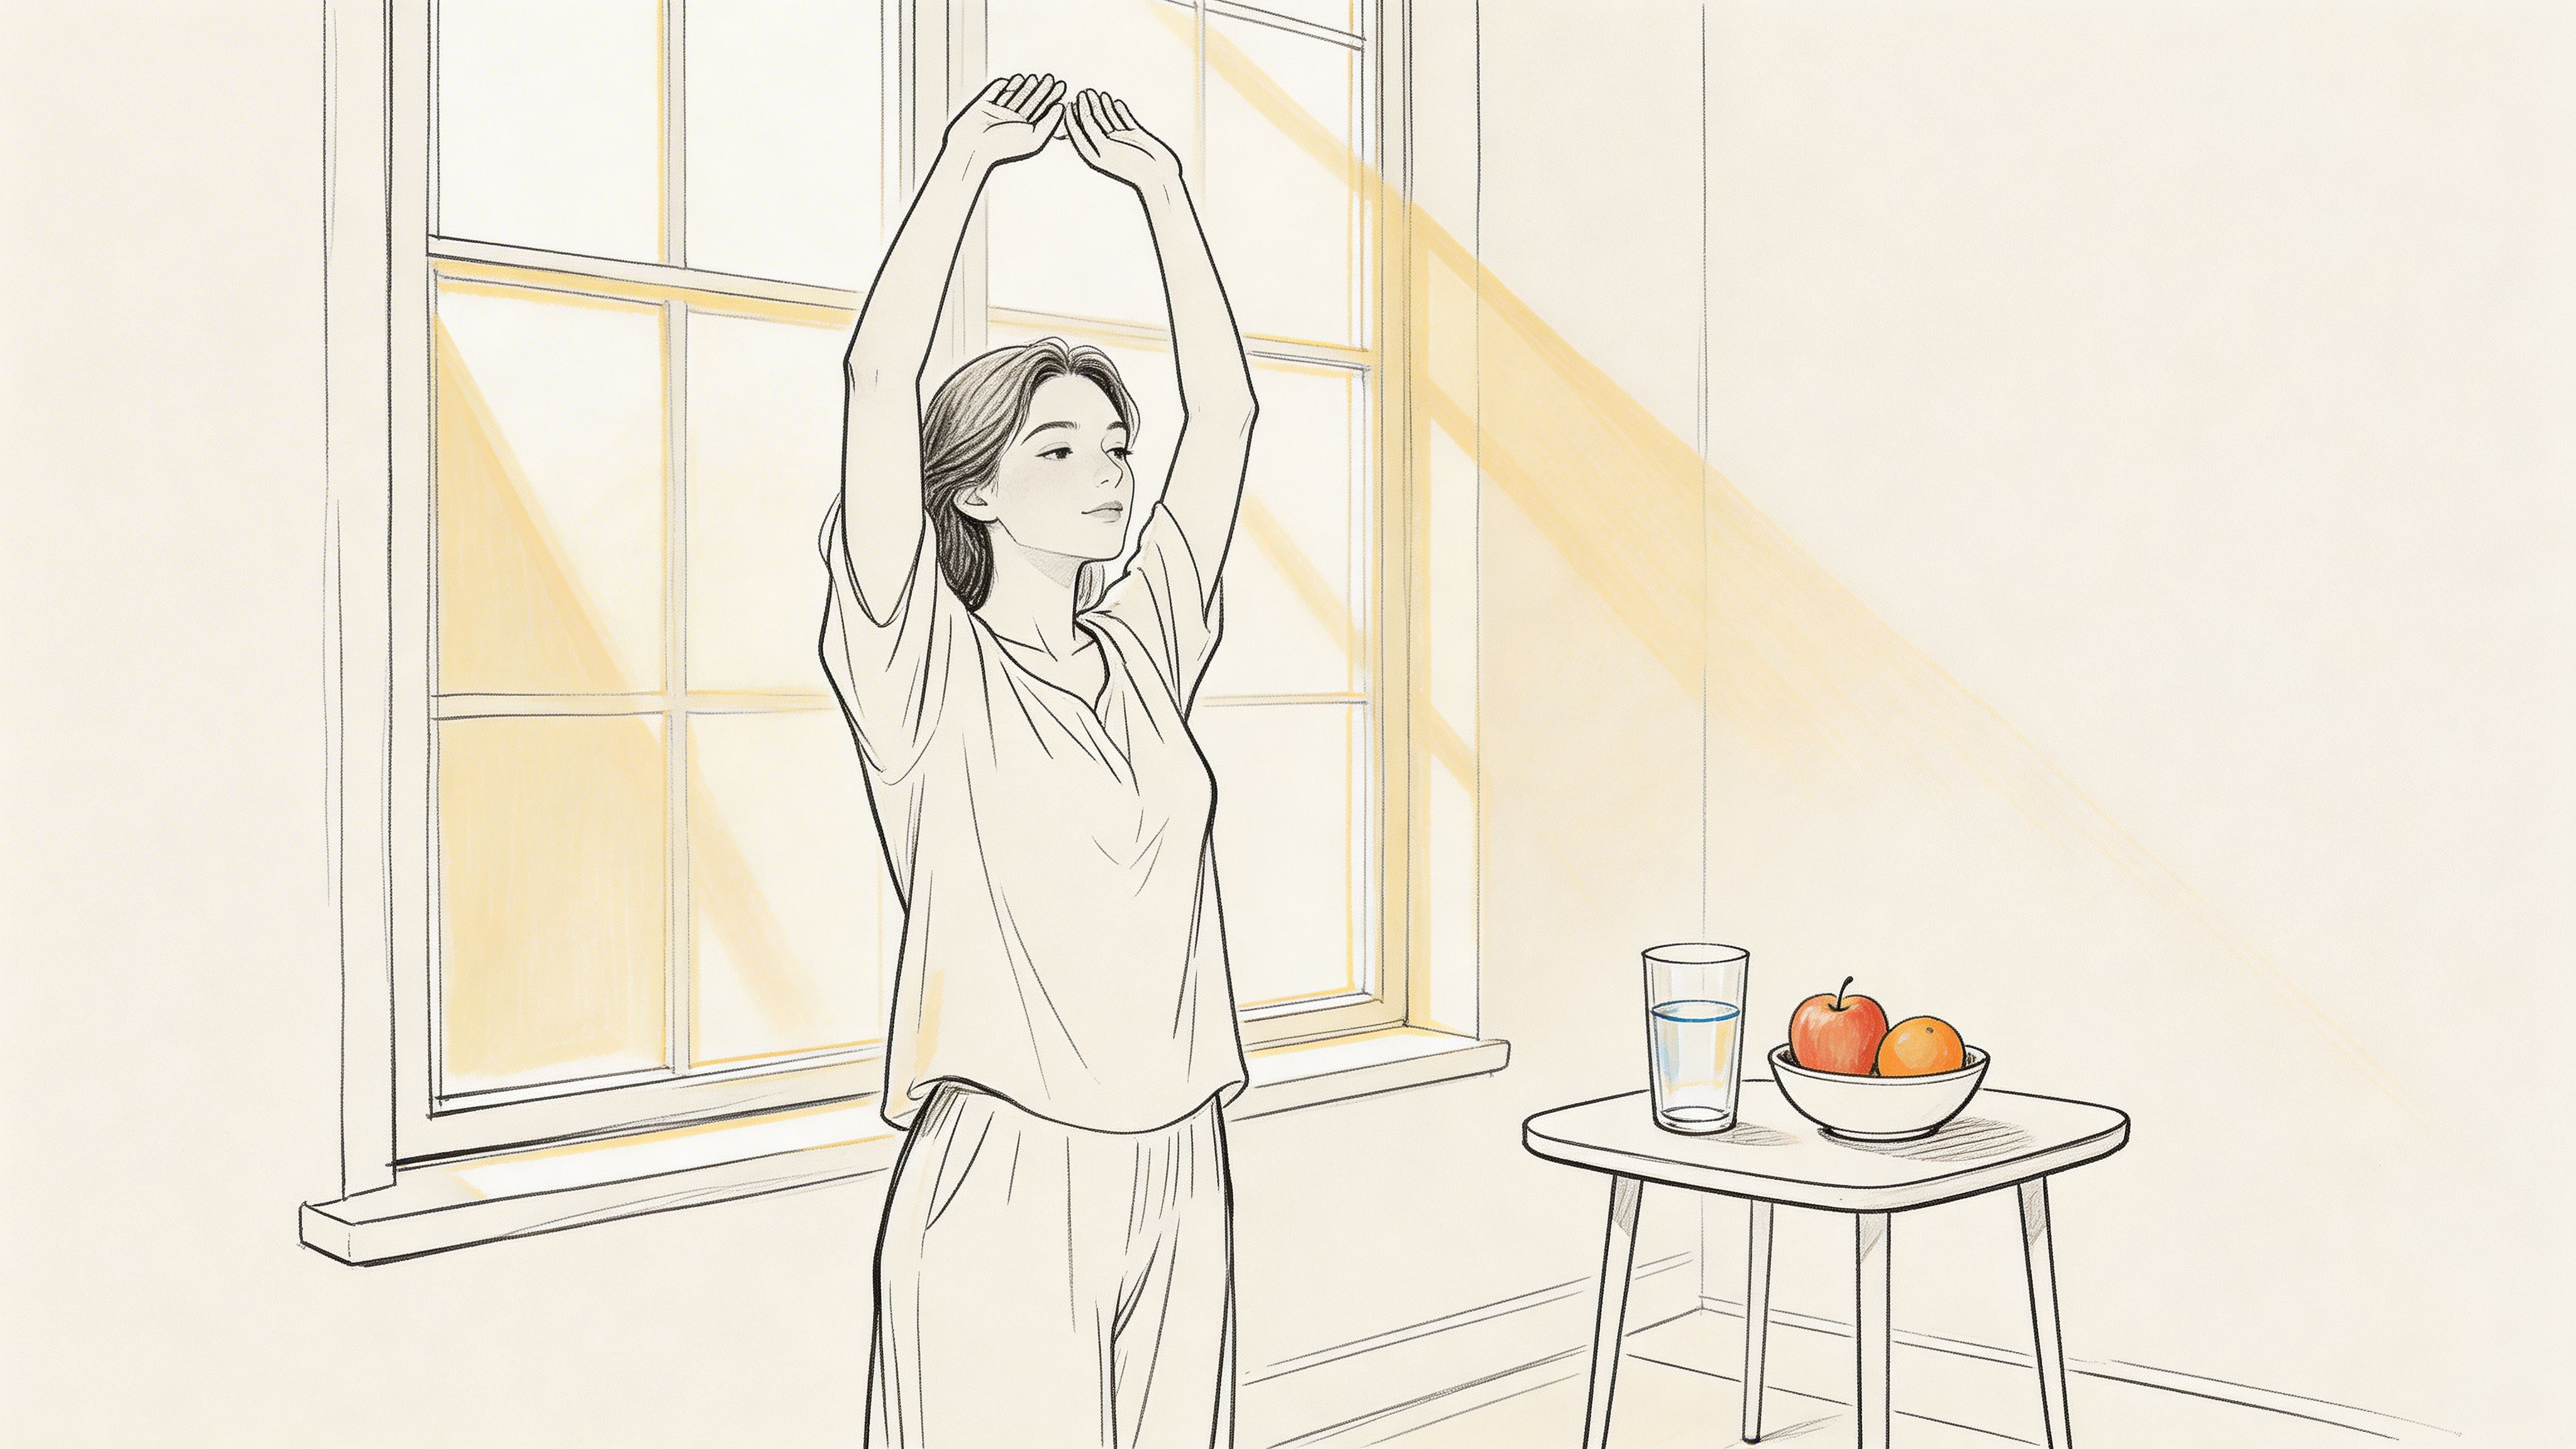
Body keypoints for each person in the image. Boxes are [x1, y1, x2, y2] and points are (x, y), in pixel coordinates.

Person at [817, 72, 1261, 1448]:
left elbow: (1229, 416)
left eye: (1114, 444)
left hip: (1183, 1155)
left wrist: (1166, 197)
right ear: (972, 489)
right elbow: (874, 378)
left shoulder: (1144, 645)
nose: (1111, 470)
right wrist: (961, 168)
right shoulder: (918, 666)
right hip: (1009, 1165)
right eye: (1058, 446)